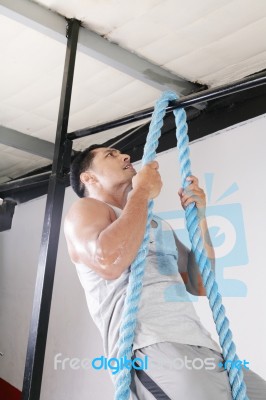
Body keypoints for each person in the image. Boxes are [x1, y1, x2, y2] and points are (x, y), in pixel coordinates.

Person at [64, 144, 266, 399]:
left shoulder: (155, 223)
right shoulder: (86, 210)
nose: (125, 156)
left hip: (202, 345)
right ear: (89, 178)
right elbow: (109, 261)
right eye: (111, 155)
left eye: (120, 153)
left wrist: (200, 217)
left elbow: (201, 284)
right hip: (151, 346)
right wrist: (143, 192)